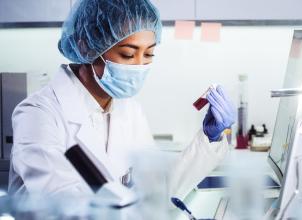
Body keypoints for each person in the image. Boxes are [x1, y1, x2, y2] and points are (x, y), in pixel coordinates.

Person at [8, 0, 235, 200]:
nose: (139, 66)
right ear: (85, 46)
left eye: (148, 54)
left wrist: (209, 137)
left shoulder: (127, 110)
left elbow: (156, 189)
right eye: (128, 54)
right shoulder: (38, 114)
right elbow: (63, 205)